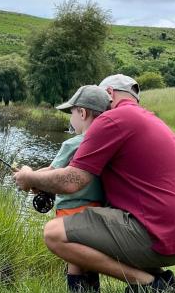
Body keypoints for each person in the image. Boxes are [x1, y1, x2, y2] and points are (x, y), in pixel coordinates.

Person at [13, 74, 175, 293]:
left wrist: (29, 177)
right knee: (85, 225)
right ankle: (162, 280)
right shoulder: (150, 120)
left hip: (159, 235)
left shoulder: (113, 120)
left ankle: (151, 286)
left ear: (109, 94)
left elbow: (72, 181)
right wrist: (44, 183)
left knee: (54, 233)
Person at [33, 85, 110, 292]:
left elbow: (52, 172)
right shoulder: (107, 145)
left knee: (74, 259)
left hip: (71, 211)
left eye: (71, 113)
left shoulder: (73, 144)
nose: (71, 118)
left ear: (82, 113)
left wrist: (28, 177)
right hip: (98, 212)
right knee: (89, 258)